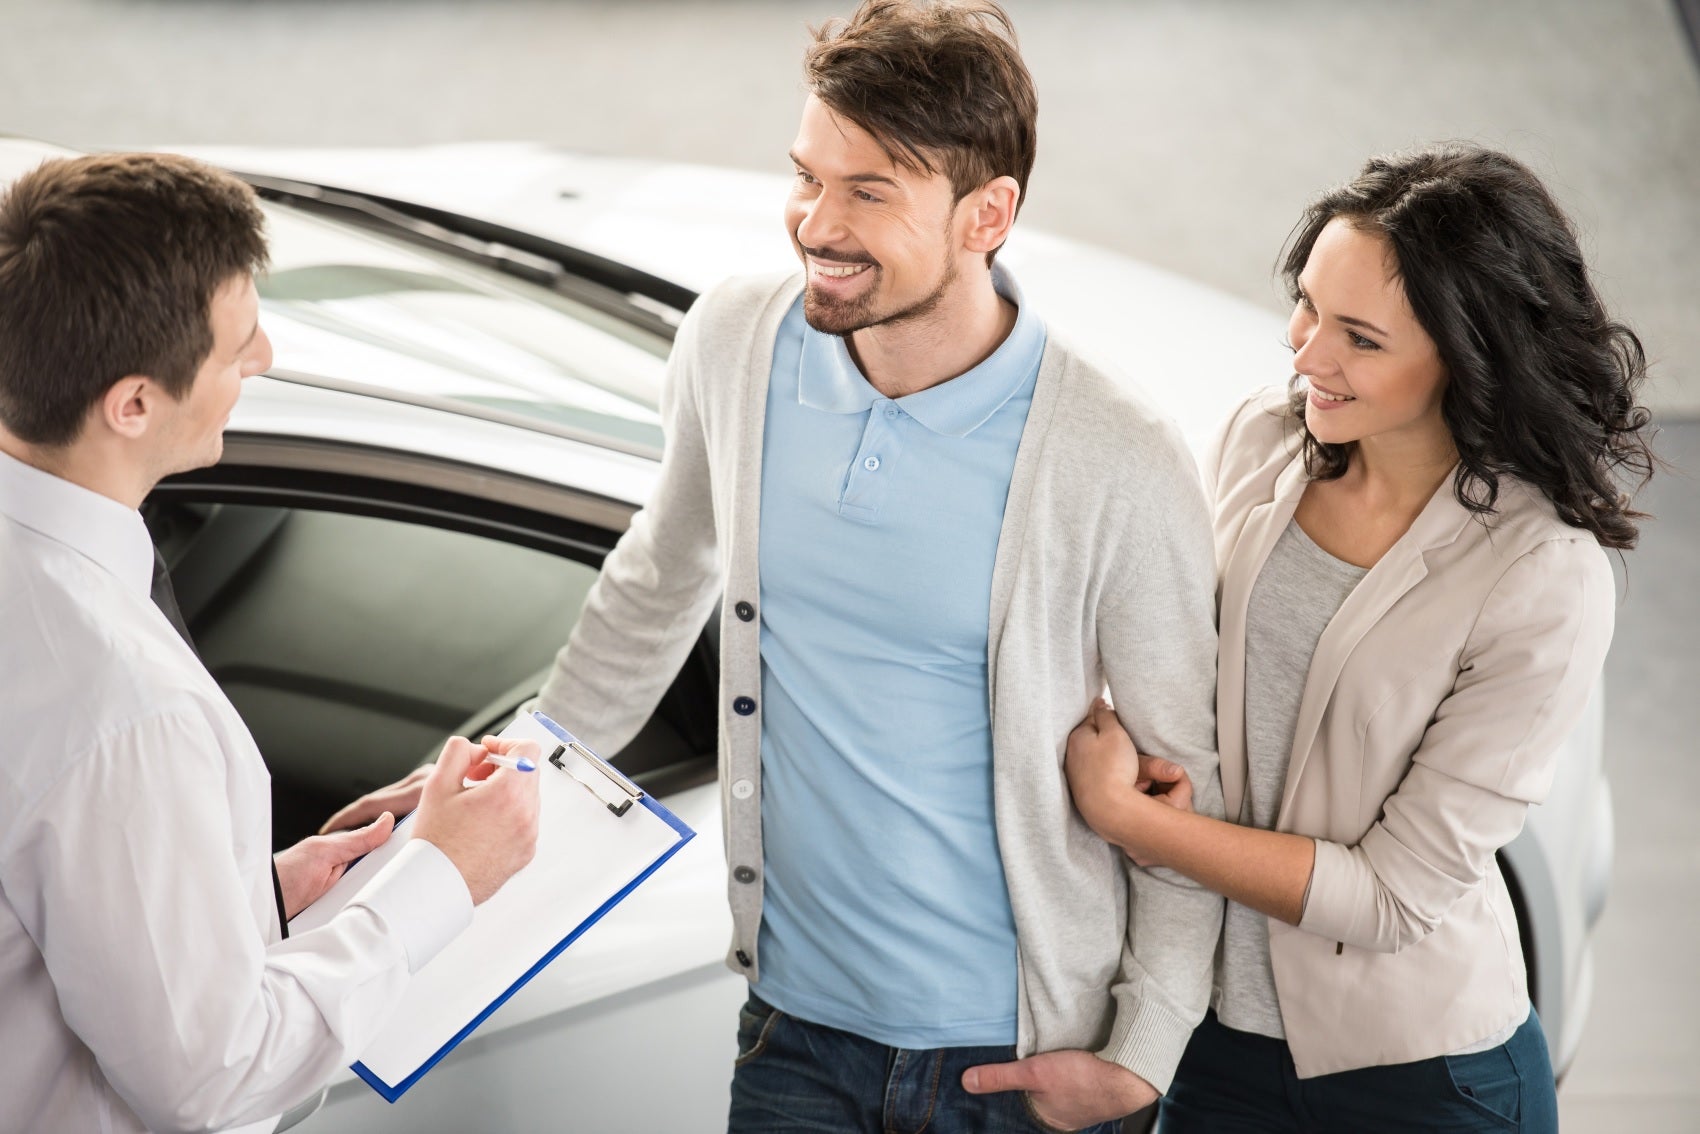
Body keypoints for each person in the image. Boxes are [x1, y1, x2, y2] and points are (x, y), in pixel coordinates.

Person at [339, 2, 1221, 1129]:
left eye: (868, 192)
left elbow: (1186, 776)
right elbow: (653, 592)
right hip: (795, 1034)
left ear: (984, 215)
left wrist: (1141, 1052)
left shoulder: (1114, 454)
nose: (816, 222)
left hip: (1017, 1063)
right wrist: (504, 782)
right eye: (805, 175)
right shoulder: (736, 344)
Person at [1064, 142, 1654, 1133]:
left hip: (1417, 1084)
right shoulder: (1262, 438)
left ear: (1468, 355)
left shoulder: (1542, 578)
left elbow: (1389, 897)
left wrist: (1138, 825)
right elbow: (1180, 665)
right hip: (1212, 1049)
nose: (1304, 355)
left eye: (1358, 338)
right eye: (1304, 305)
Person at [0, 152, 542, 1133]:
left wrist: (248, 899)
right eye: (235, 345)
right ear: (132, 405)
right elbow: (213, 1077)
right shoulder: (125, 712)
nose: (265, 359)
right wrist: (440, 879)